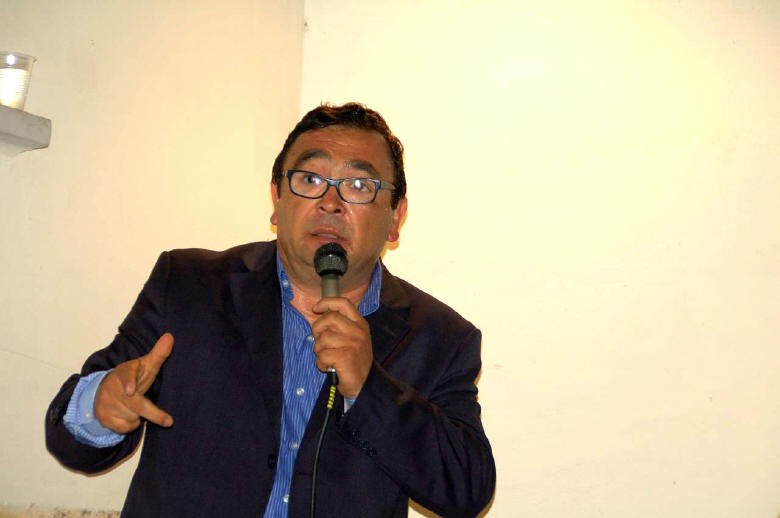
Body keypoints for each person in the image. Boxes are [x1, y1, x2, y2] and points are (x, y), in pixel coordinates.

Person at [45, 102, 495, 518]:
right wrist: (100, 409)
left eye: (359, 185)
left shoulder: (440, 338)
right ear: (277, 200)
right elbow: (69, 440)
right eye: (310, 180)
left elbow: (466, 491)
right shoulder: (188, 285)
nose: (331, 202)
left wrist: (369, 388)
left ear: (395, 217)